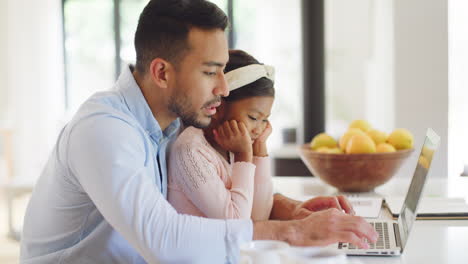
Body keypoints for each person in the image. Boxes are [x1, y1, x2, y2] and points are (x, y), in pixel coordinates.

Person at [20, 0, 378, 263]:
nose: (223, 89)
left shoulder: (173, 121)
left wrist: (289, 209)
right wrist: (294, 232)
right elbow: (164, 238)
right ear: (162, 73)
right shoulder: (103, 131)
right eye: (210, 72)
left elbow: (216, 185)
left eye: (223, 70)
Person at [167, 49, 275, 220]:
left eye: (265, 120)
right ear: (218, 106)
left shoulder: (231, 148)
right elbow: (237, 223)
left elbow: (259, 217)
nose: (259, 129)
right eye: (253, 117)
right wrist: (244, 155)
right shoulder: (190, 151)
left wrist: (259, 149)